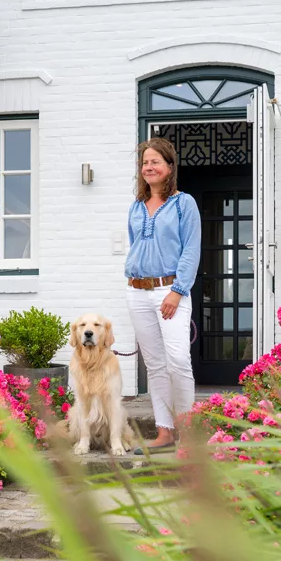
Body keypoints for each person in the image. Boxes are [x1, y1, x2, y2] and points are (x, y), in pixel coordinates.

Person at [124, 137, 201, 453]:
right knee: (154, 366)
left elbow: (191, 250)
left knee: (178, 361)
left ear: (170, 167)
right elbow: (136, 246)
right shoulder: (136, 207)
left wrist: (178, 291)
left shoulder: (184, 204)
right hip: (137, 292)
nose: (149, 167)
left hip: (171, 291)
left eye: (156, 161)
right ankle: (165, 431)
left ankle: (189, 433)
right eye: (145, 162)